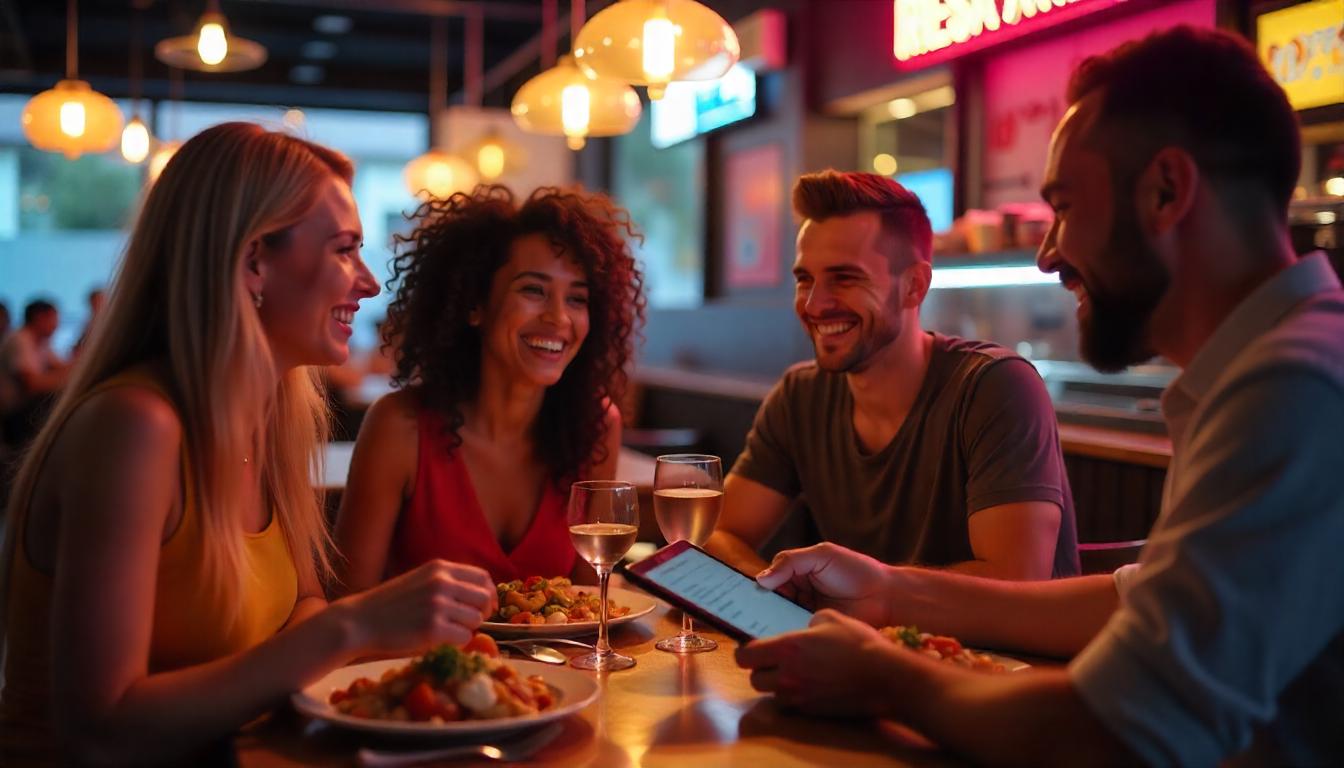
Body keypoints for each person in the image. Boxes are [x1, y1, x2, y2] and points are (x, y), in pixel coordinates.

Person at [734, 26, 1344, 766]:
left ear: (1166, 192)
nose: (1048, 252)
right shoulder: (1273, 369)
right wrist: (889, 590)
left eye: (1064, 205)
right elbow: (1131, 600)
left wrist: (883, 675)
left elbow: (1117, 730)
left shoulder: (1296, 388)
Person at [0, 122, 499, 766]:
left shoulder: (269, 416)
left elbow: (304, 607)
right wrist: (355, 625)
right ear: (253, 260)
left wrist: (389, 636)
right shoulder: (136, 425)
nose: (370, 283)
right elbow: (97, 731)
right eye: (344, 250)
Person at [706, 171, 1078, 580]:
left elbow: (1017, 580)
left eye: (845, 278)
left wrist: (865, 595)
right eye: (805, 279)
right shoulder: (801, 395)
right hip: (864, 640)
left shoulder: (995, 387)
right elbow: (721, 532)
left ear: (914, 286)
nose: (815, 304)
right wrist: (774, 593)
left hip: (994, 646)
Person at [333, 186, 645, 591]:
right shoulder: (400, 426)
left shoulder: (596, 427)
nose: (558, 318)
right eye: (533, 290)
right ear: (475, 303)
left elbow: (590, 603)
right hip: (417, 657)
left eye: (577, 299)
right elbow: (346, 606)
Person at [0, 299, 69, 447]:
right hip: (14, 417)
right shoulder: (20, 339)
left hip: (23, 412)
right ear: (39, 318)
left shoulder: (40, 341)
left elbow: (62, 367)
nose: (57, 325)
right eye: (54, 318)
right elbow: (32, 384)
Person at [72, 288, 106, 356]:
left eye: (99, 301)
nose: (97, 304)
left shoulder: (107, 320)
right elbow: (81, 340)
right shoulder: (88, 322)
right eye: (95, 302)